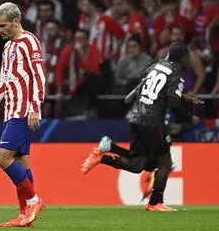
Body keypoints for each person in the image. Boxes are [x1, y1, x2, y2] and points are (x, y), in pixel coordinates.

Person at [80, 43, 202, 212]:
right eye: (187, 57)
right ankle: (155, 202)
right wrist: (189, 117)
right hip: (152, 122)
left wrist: (185, 97)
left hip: (136, 117)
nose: (189, 60)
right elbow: (173, 104)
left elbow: (149, 85)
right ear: (182, 59)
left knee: (138, 165)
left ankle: (104, 154)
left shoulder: (156, 65)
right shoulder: (176, 75)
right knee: (165, 163)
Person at [0, 2, 46, 228]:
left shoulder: (29, 42)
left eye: (2, 25)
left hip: (24, 111)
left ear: (16, 22)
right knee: (21, 162)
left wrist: (35, 107)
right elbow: (4, 82)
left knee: (2, 158)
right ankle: (24, 215)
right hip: (11, 111)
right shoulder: (8, 47)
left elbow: (39, 76)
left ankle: (34, 202)